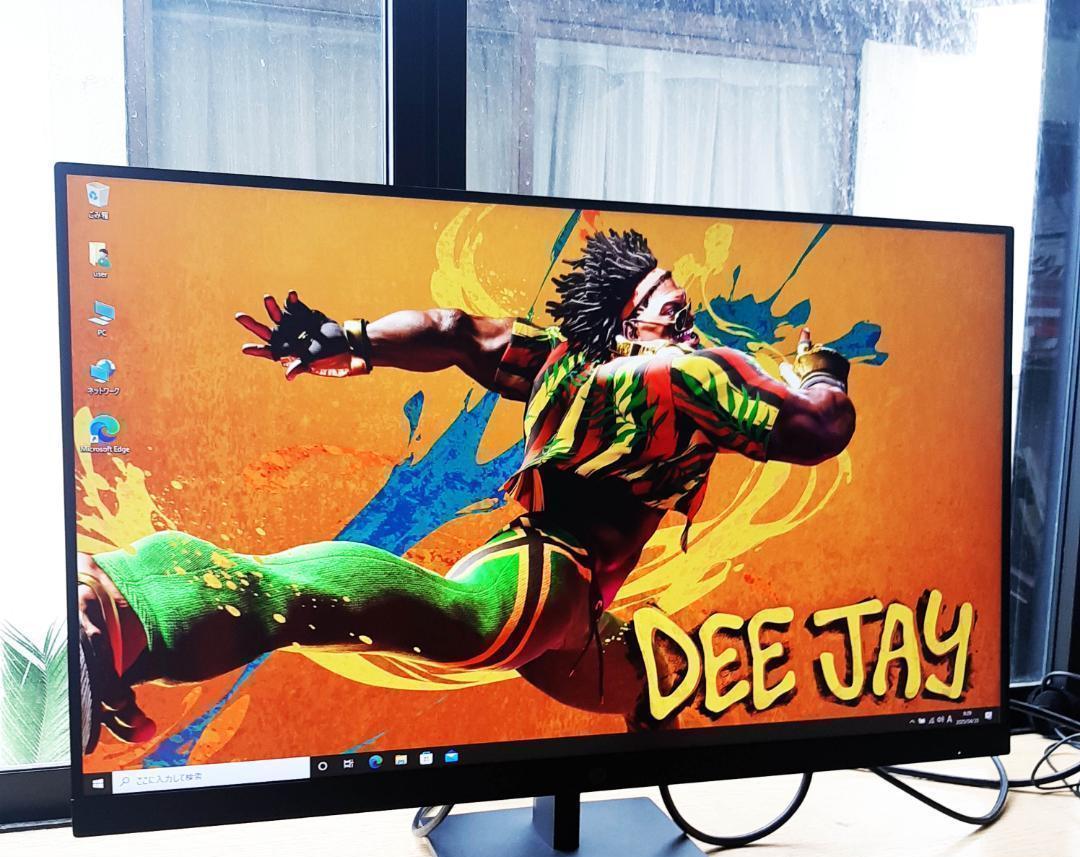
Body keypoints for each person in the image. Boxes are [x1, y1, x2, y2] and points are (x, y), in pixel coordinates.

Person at [77, 228, 855, 752]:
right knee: (338, 607)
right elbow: (820, 429)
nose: (687, 327)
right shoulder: (692, 373)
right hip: (546, 582)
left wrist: (351, 338)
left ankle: (136, 616)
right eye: (673, 312)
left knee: (656, 682)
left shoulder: (561, 357)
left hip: (572, 608)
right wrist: (822, 372)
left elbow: (454, 331)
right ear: (635, 321)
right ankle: (122, 600)